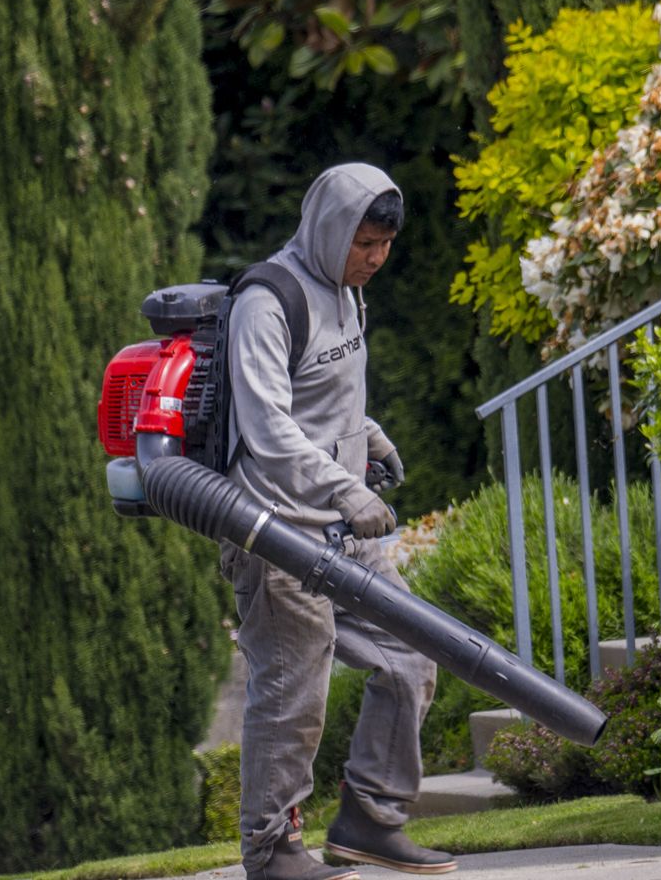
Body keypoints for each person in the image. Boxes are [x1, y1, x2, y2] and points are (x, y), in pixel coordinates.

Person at [222, 163, 456, 879]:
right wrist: (343, 486)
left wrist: (367, 434)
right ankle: (270, 848)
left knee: (412, 658)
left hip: (344, 532)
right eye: (366, 242)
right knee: (295, 693)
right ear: (330, 228)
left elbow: (323, 398)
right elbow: (266, 426)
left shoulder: (349, 295)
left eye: (386, 244)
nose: (376, 258)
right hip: (280, 532)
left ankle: (371, 819)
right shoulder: (268, 301)